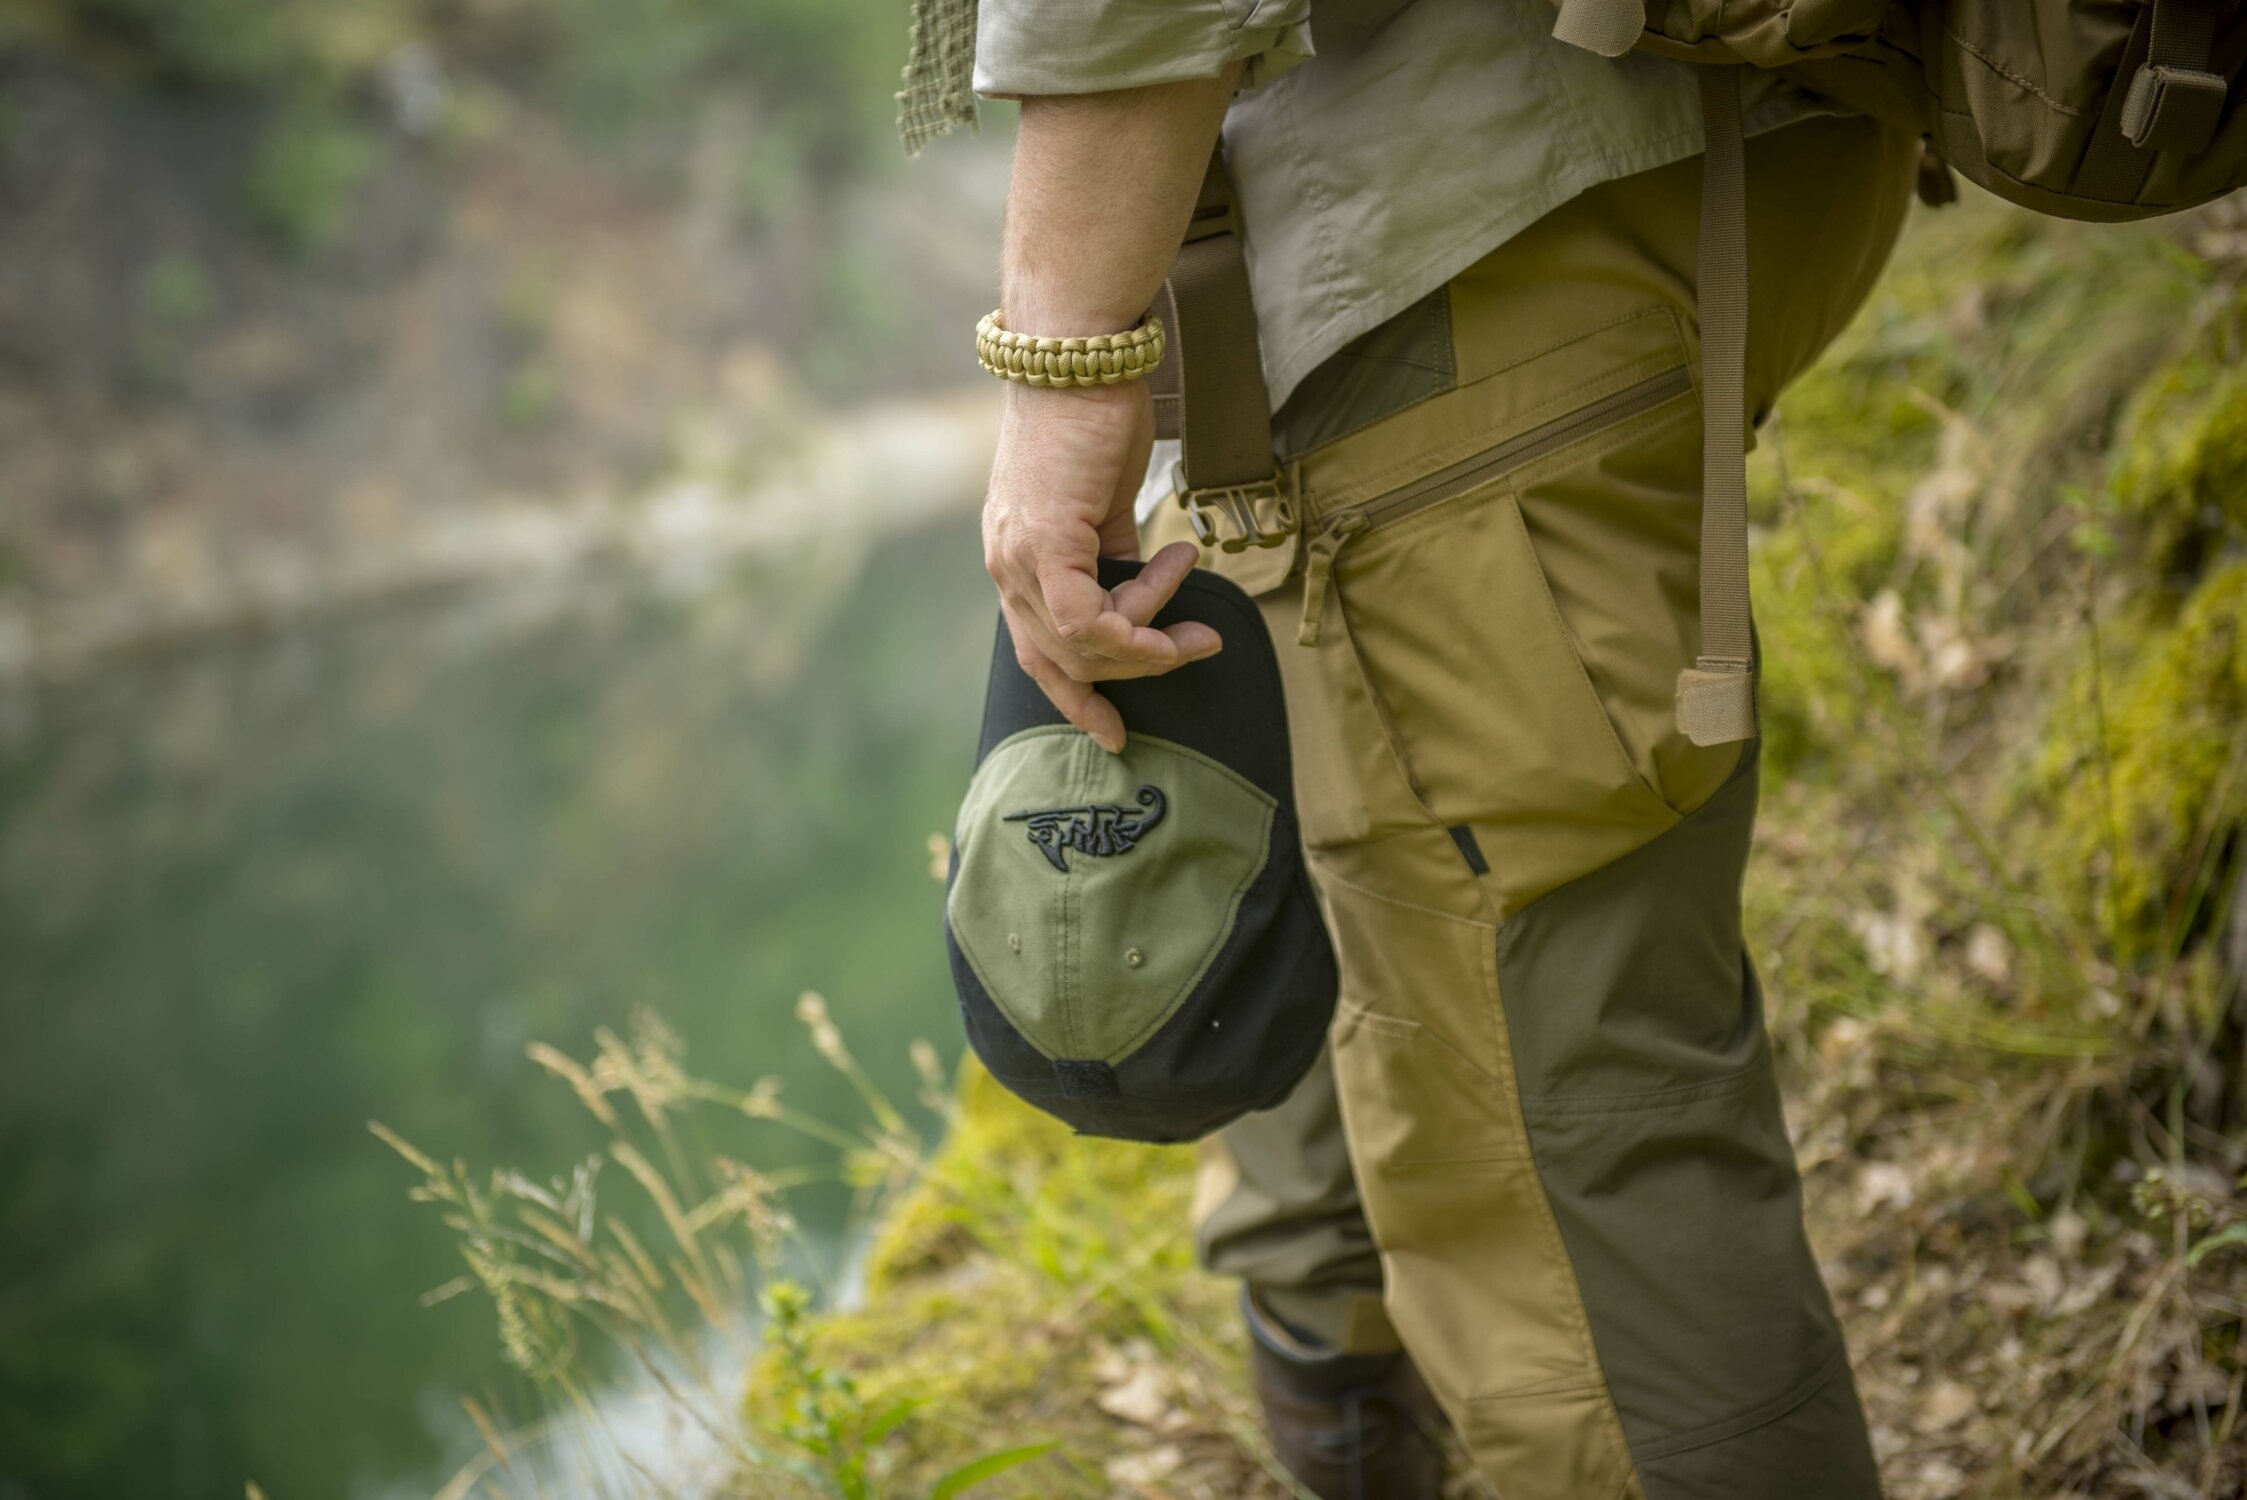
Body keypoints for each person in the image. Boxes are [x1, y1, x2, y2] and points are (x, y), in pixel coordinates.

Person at [913, 1, 1918, 1493]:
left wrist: (1063, 367)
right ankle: (1346, 1388)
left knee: (1552, 1167)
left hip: (1460, 238)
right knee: (1309, 882)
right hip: (1663, 155)